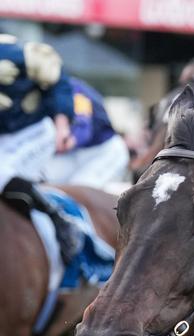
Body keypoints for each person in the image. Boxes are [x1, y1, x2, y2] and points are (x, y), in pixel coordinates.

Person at [0, 35, 81, 263]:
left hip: (34, 130)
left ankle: (60, 220)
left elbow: (58, 80)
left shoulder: (16, 53)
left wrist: (62, 124)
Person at [44, 77, 129, 189]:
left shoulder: (73, 89)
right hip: (72, 154)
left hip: (103, 151)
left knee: (78, 191)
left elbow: (83, 127)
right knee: (40, 179)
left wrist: (69, 141)